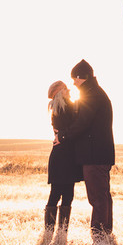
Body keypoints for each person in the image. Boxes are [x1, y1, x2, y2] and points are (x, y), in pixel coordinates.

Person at [58, 59, 115, 237]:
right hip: (99, 153)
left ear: (83, 77)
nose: (73, 82)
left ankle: (99, 233)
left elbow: (82, 123)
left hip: (94, 154)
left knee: (97, 196)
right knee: (103, 194)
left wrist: (62, 135)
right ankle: (104, 230)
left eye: (75, 78)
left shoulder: (91, 95)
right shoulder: (95, 92)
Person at [44, 80, 81, 232]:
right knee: (65, 193)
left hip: (62, 156)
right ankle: (59, 230)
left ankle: (52, 230)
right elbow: (75, 129)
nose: (69, 90)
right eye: (66, 88)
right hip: (65, 157)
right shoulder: (67, 108)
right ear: (61, 92)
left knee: (59, 192)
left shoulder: (58, 109)